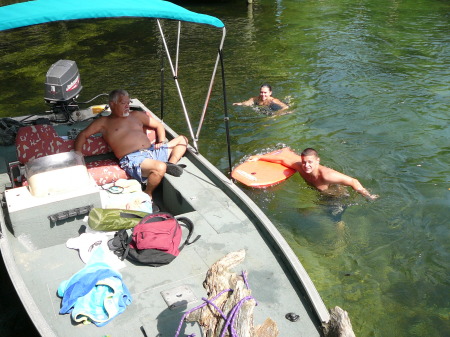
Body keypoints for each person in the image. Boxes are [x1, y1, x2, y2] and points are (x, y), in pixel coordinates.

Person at [74, 89, 188, 199]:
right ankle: (148, 193)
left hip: (152, 150)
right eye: (123, 103)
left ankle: (171, 164)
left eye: (128, 103)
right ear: (112, 104)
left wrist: (162, 140)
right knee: (160, 167)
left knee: (183, 140)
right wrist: (78, 159)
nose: (127, 106)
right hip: (133, 158)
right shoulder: (104, 122)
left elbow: (158, 125)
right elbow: (83, 135)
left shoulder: (136, 115)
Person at [250, 148, 378, 200]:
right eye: (304, 162)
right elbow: (282, 159)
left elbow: (353, 181)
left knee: (335, 220)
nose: (306, 166)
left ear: (318, 161)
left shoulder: (327, 175)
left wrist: (367, 195)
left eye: (310, 162)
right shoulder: (300, 167)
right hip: (318, 193)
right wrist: (259, 157)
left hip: (335, 197)